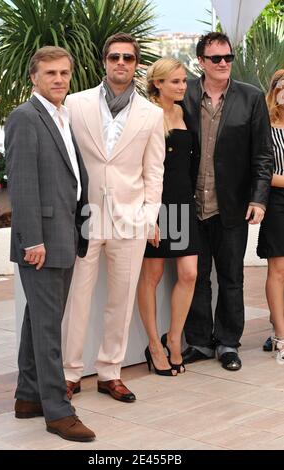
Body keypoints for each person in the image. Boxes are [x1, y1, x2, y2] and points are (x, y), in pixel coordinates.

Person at [62, 33, 165, 401]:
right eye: (114, 57)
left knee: (120, 300)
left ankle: (110, 372)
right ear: (105, 61)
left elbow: (155, 172)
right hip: (84, 217)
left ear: (137, 65)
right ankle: (70, 373)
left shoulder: (152, 115)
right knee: (78, 298)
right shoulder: (75, 104)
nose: (121, 63)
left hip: (130, 220)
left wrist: (148, 215)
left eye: (128, 58)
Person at [5, 46, 95, 442]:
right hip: (42, 242)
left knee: (39, 321)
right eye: (50, 73)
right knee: (47, 328)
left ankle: (28, 397)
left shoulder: (60, 116)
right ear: (33, 78)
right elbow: (21, 184)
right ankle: (58, 411)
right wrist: (33, 240)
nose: (59, 79)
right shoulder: (25, 117)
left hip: (64, 235)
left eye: (64, 73)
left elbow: (71, 177)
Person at [182, 32, 274, 371]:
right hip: (189, 206)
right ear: (201, 62)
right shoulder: (185, 93)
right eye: (216, 58)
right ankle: (199, 342)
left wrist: (259, 200)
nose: (223, 64)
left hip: (232, 204)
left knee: (232, 278)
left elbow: (263, 155)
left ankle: (227, 343)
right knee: (196, 277)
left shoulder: (251, 98)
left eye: (228, 58)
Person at [137, 58, 199, 376]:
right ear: (158, 83)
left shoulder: (184, 111)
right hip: (156, 207)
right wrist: (150, 217)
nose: (182, 86)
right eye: (175, 81)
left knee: (188, 274)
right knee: (153, 276)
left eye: (184, 81)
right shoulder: (147, 115)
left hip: (184, 205)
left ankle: (174, 338)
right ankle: (153, 344)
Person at [257, 70, 284, 363]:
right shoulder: (265, 125)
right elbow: (261, 169)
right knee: (278, 269)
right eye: (281, 84)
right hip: (277, 203)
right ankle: (280, 336)